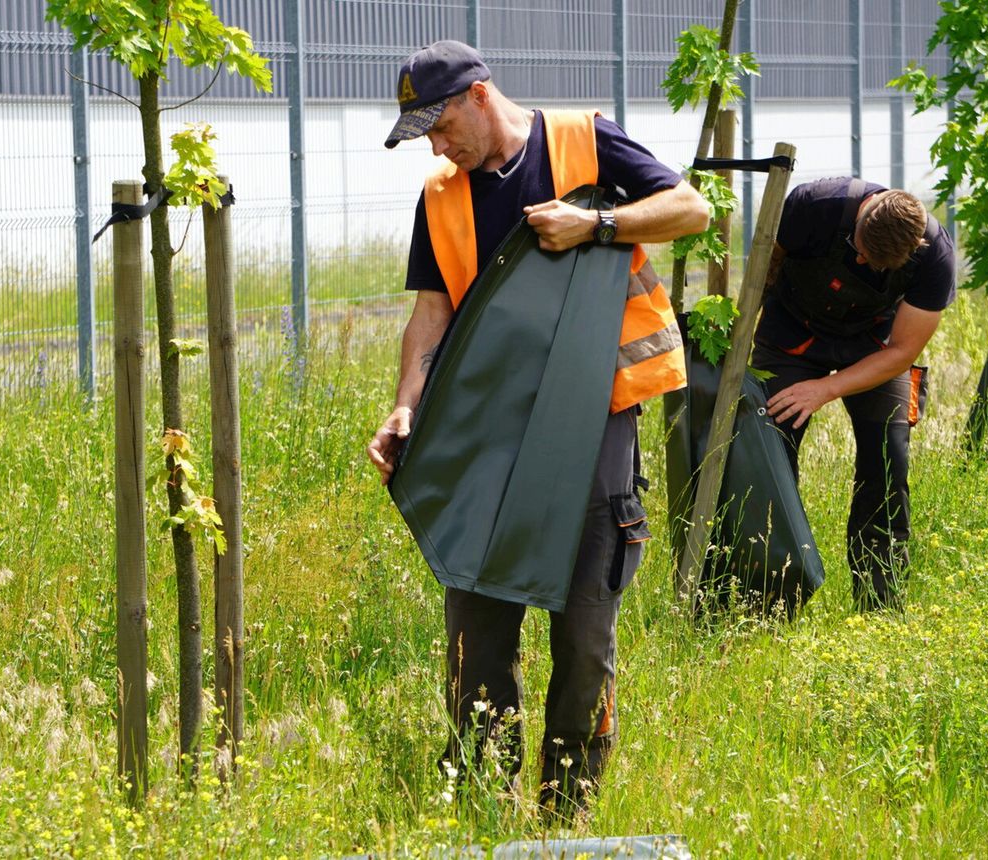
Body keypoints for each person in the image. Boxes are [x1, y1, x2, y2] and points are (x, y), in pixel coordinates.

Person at [366, 40, 708, 819]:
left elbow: (692, 208)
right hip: (480, 426)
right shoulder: (441, 195)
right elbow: (430, 315)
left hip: (597, 416)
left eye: (441, 123)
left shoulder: (586, 140)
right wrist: (405, 405)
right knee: (479, 614)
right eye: (421, 132)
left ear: (480, 95)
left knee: (586, 627)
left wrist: (598, 226)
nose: (435, 143)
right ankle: (486, 798)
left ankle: (568, 810)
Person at [754, 177, 956, 611]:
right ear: (862, 217)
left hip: (875, 346)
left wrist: (825, 389)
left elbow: (903, 351)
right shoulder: (815, 205)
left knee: (889, 458)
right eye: (858, 249)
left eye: (875, 263)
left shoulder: (935, 256)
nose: (861, 260)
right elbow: (763, 270)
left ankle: (879, 605)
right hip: (793, 332)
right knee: (768, 449)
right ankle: (770, 600)